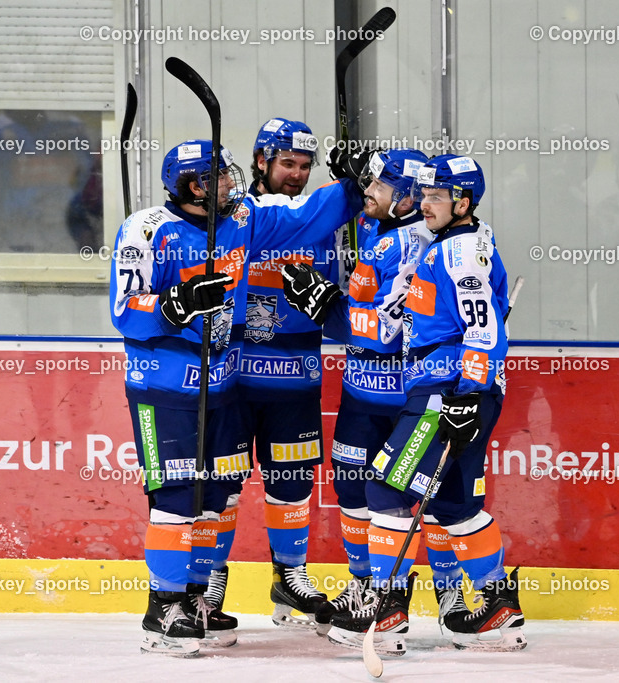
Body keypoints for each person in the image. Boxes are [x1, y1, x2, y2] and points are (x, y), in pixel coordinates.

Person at [110, 139, 362, 656]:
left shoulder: (243, 218)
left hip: (221, 388)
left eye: (229, 173)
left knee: (216, 495)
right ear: (194, 186)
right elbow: (124, 308)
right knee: (178, 497)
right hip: (163, 388)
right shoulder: (146, 229)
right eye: (220, 176)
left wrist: (355, 189)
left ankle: (198, 599)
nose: (232, 182)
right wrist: (174, 305)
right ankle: (163, 608)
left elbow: (304, 215)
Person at [306, 154, 526, 655]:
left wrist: (466, 393)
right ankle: (496, 610)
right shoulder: (458, 243)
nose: (425, 204)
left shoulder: (460, 253)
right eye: (423, 194)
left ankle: (384, 611)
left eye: (437, 197)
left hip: (445, 389)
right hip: (458, 388)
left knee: (386, 489)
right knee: (454, 504)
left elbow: (484, 327)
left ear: (463, 202)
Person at [281, 147, 471, 636]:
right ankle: (367, 583)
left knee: (422, 497)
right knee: (352, 492)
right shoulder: (375, 226)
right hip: (359, 392)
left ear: (407, 198)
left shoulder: (417, 245)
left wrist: (327, 308)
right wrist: (353, 183)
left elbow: (381, 331)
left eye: (381, 186)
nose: (371, 191)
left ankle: (440, 591)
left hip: (407, 396)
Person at [204, 119, 336, 629]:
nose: (296, 175)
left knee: (292, 481)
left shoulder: (321, 220)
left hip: (295, 378)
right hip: (233, 379)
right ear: (261, 161)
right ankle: (210, 583)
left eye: (305, 167)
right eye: (287, 164)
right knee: (223, 484)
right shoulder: (236, 213)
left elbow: (346, 299)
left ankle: (290, 578)